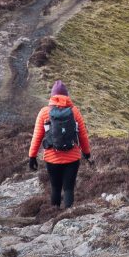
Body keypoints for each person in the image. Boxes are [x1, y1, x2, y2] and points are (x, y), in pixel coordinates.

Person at [28, 80, 92, 208]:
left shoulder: (44, 112)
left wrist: (32, 156)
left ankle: (54, 214)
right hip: (72, 158)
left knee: (55, 188)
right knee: (68, 189)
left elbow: (37, 136)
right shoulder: (75, 111)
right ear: (67, 96)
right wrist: (87, 153)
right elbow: (82, 135)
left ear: (52, 96)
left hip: (52, 158)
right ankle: (68, 215)